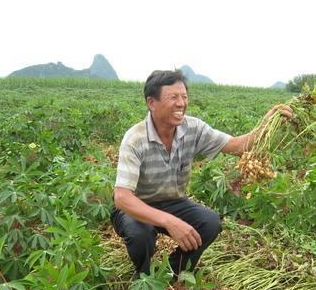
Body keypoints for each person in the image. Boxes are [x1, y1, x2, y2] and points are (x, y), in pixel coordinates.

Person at [111, 70, 293, 278]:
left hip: (172, 201)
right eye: (173, 97)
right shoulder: (135, 139)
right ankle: (143, 276)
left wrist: (267, 124)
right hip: (136, 204)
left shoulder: (193, 128)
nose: (181, 103)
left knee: (210, 223)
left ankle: (172, 272)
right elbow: (122, 198)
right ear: (152, 103)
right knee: (140, 234)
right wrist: (170, 222)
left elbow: (237, 145)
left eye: (184, 97)